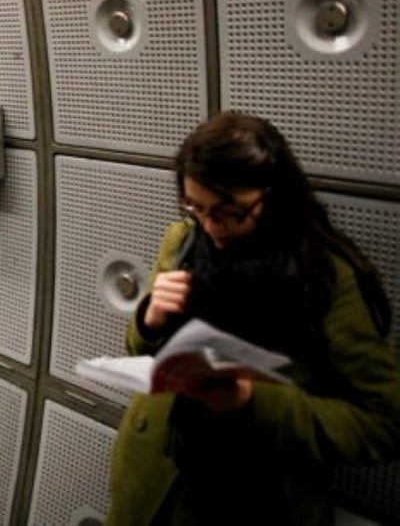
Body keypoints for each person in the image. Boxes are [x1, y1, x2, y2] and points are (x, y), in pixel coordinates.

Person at [107, 112, 400, 525]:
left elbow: (383, 425)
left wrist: (253, 402)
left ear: (275, 195)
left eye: (230, 212)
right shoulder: (185, 241)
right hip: (156, 477)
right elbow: (141, 348)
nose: (212, 227)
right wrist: (148, 321)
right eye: (196, 207)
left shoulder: (325, 277)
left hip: (257, 496)